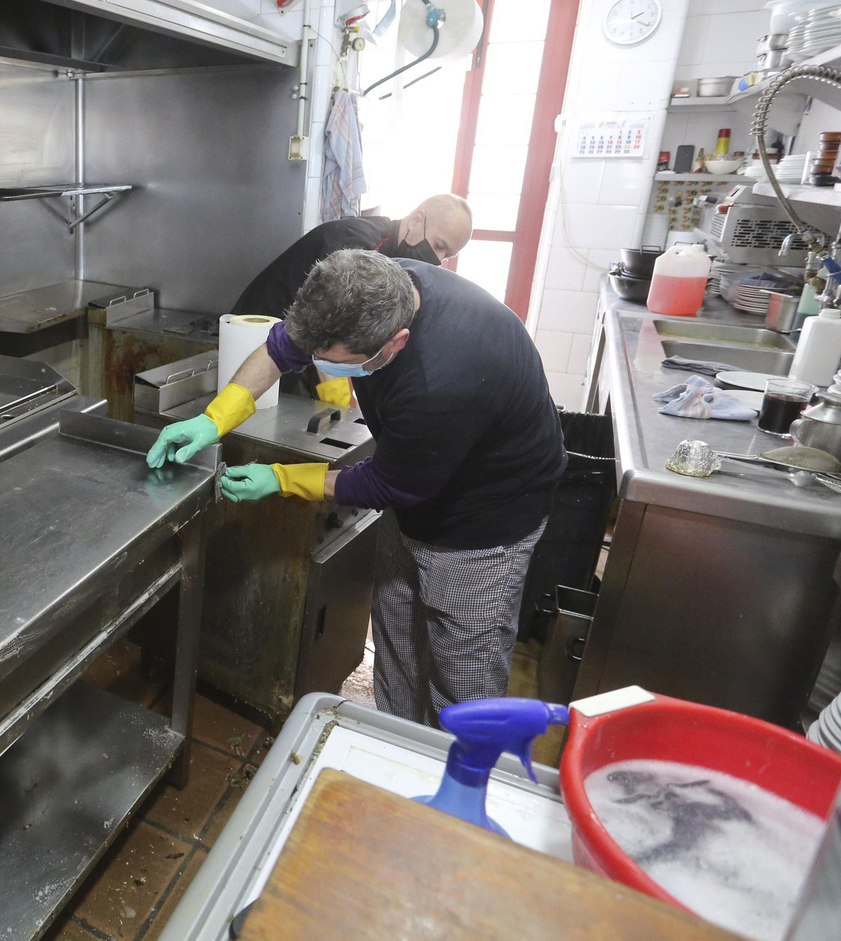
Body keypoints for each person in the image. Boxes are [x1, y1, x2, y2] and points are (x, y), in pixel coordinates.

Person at [147, 250, 565, 727]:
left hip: (484, 520)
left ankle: (456, 784)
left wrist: (281, 479)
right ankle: (397, 748)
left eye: (333, 363)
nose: (320, 367)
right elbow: (279, 351)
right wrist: (212, 420)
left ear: (395, 342)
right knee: (398, 638)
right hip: (417, 485)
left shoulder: (443, 380)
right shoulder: (366, 295)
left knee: (462, 672)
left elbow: (391, 484)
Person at [231, 194, 473, 321]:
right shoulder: (357, 241)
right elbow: (331, 318)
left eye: (447, 255)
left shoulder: (397, 261)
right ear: (417, 219)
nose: (438, 258)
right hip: (257, 332)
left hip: (298, 342)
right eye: (439, 245)